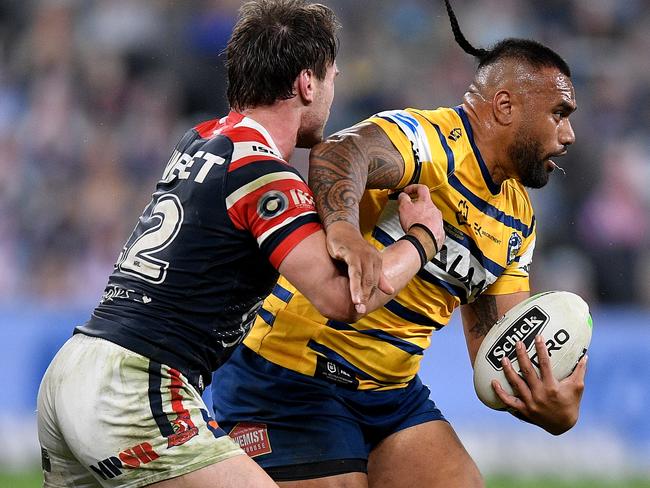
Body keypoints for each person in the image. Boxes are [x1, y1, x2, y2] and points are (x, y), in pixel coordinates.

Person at [35, 1, 445, 487]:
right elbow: (342, 297)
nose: (332, 95)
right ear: (307, 83)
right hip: (135, 382)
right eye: (332, 76)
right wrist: (421, 240)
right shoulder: (263, 171)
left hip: (73, 368)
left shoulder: (199, 139)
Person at [211, 1, 587, 487]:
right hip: (288, 374)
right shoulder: (427, 142)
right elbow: (340, 152)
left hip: (389, 392)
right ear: (505, 106)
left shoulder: (518, 220)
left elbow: (498, 352)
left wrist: (550, 404)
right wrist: (343, 229)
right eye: (559, 113)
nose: (569, 134)